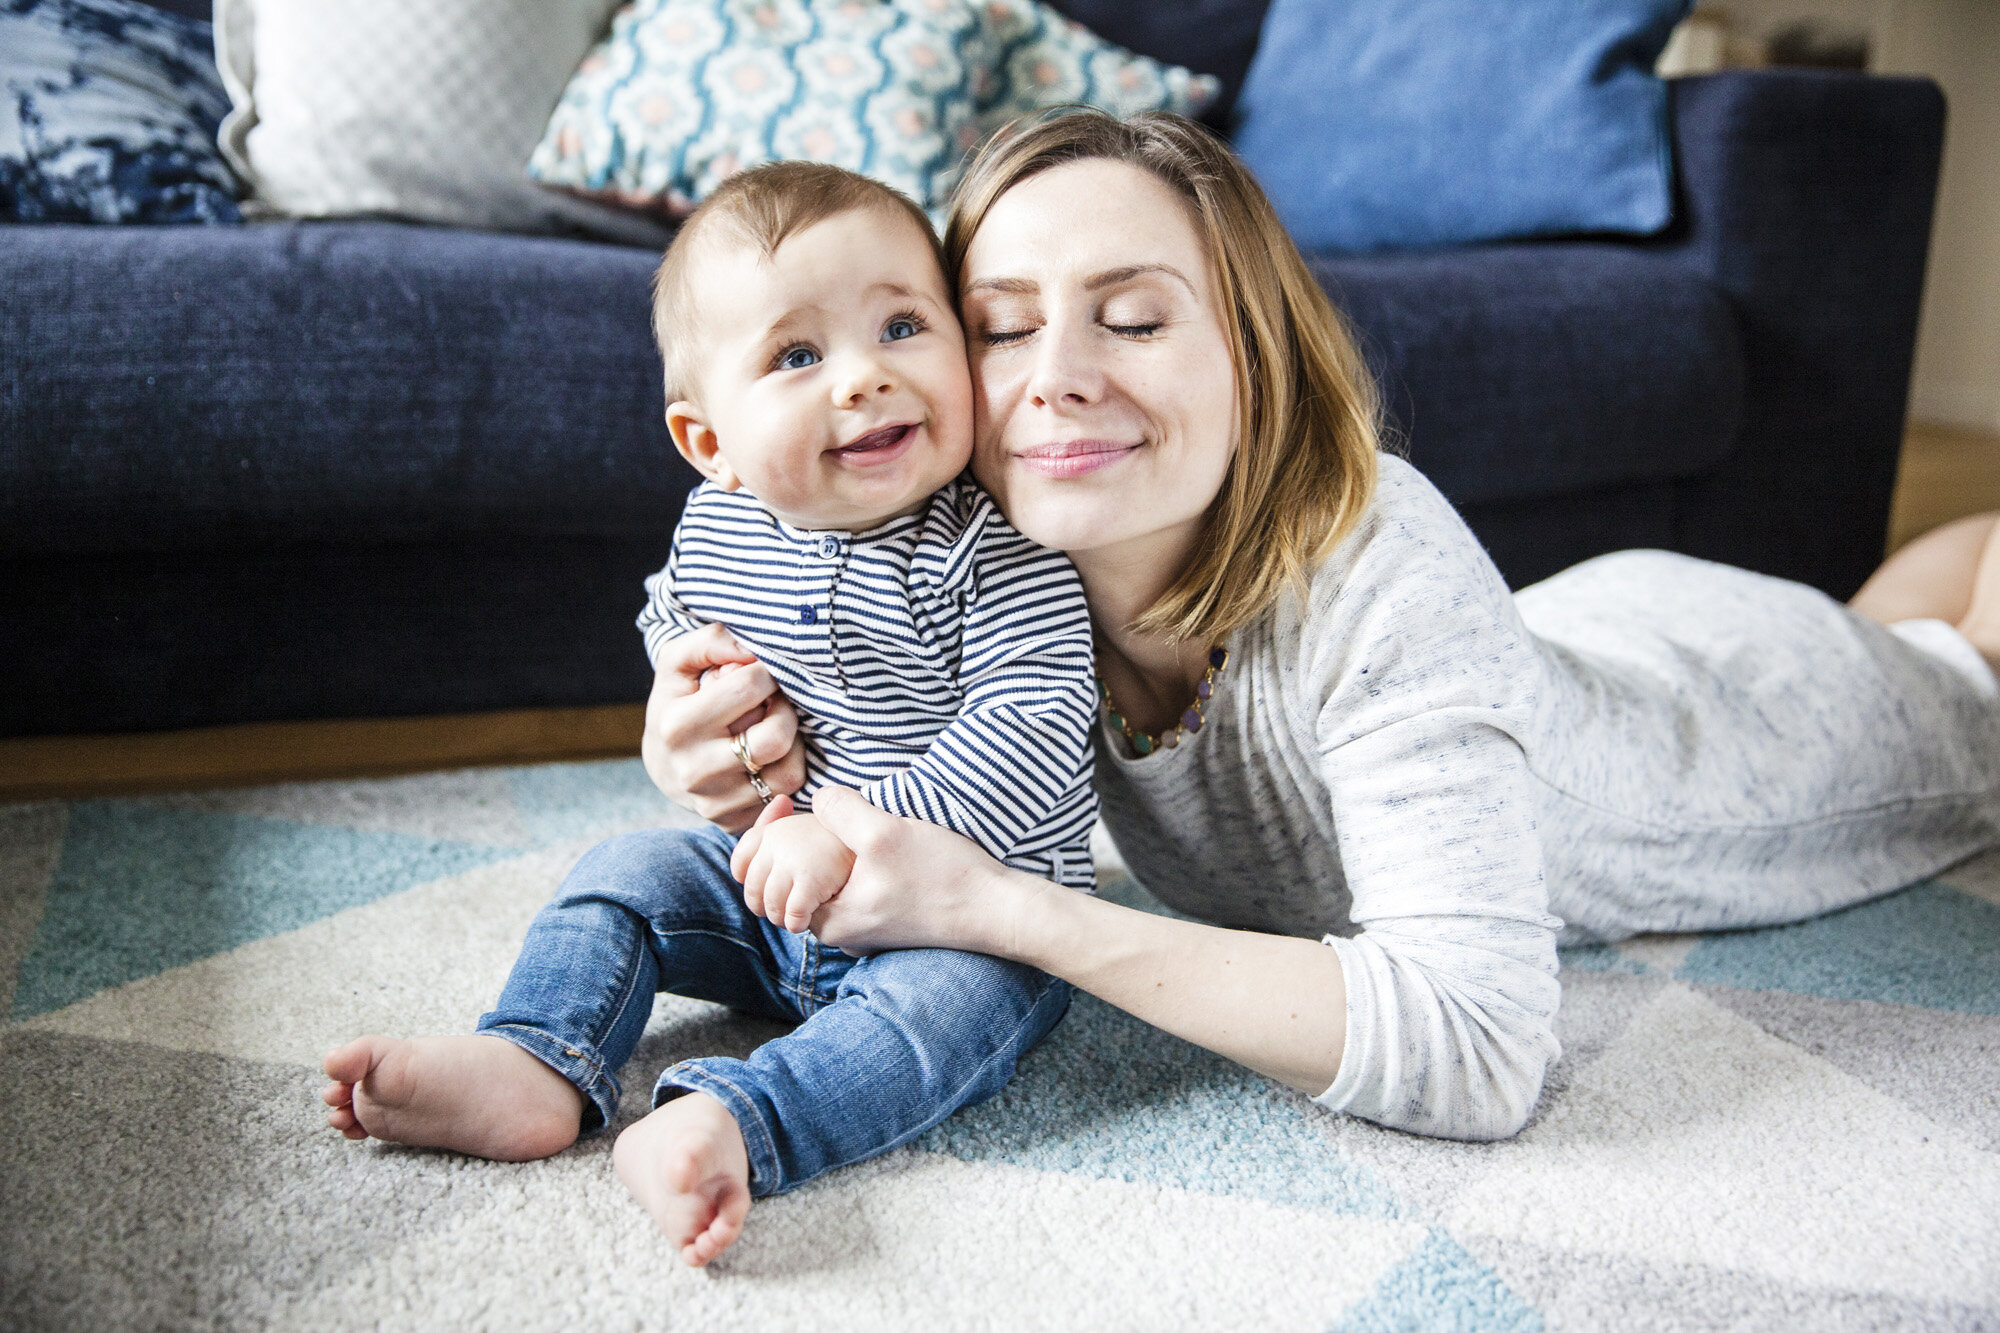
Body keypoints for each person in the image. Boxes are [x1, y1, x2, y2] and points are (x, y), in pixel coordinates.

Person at [659, 109, 2000, 1151]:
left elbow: (1479, 1048)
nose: (1057, 374)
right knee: (1907, 598)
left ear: (1256, 353)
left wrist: (1010, 911)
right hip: (1586, 618)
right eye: (1000, 329)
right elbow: (803, 652)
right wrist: (702, 739)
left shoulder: (1382, 575)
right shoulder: (983, 529)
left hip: (1762, 720)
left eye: (1131, 317)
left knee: (1964, 663)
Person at [319, 162, 1098, 1268]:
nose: (864, 378)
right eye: (796, 355)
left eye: (902, 325)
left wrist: (853, 831)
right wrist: (682, 673)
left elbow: (1033, 718)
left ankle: (735, 1119)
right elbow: (671, 609)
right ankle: (536, 1057)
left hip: (968, 913)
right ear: (710, 446)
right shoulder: (719, 528)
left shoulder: (994, 543)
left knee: (942, 1018)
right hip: (768, 892)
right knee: (626, 871)